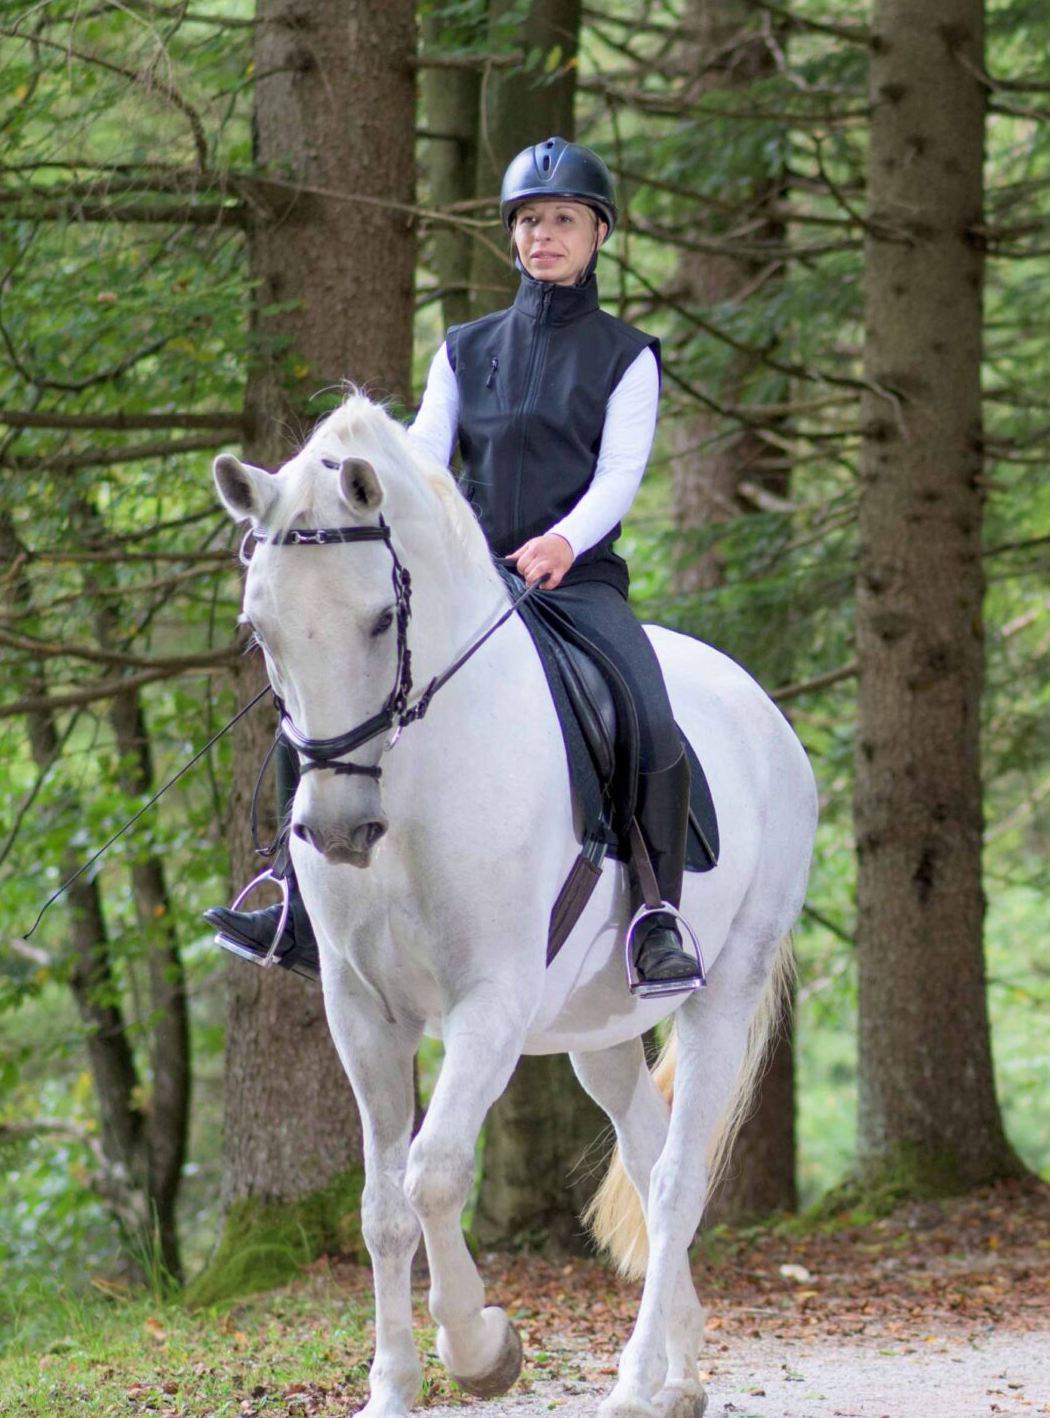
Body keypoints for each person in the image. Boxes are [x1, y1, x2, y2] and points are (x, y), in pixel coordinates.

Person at [207, 136, 702, 997]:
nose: (543, 235)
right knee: (321, 691)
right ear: (512, 235)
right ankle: (293, 898)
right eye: (529, 221)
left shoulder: (628, 357)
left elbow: (621, 475)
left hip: (573, 581)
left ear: (597, 234)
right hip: (472, 585)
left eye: (562, 221)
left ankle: (657, 913)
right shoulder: (466, 349)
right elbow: (425, 461)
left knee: (647, 711)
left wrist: (562, 543)